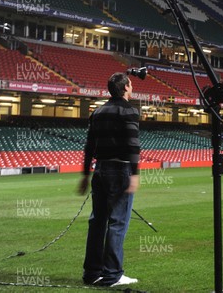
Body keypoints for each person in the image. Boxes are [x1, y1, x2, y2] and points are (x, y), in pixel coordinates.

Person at [78, 72, 141, 287]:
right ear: (125, 88)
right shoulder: (129, 111)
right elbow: (133, 145)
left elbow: (89, 147)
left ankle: (92, 272)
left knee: (97, 221)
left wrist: (85, 175)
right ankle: (112, 274)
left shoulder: (98, 112)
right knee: (117, 222)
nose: (132, 88)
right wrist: (135, 174)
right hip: (120, 170)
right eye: (131, 85)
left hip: (100, 170)